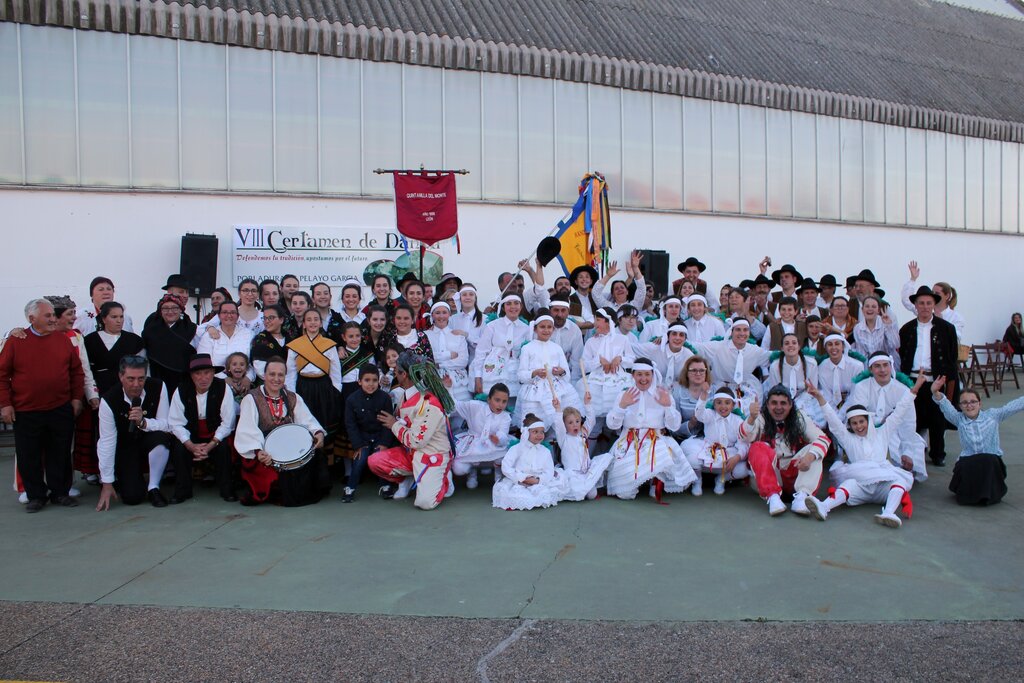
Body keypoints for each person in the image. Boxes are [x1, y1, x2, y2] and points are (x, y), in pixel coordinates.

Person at [0, 299, 85, 512]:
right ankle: (36, 495)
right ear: (32, 319)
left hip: (60, 407)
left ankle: (60, 493)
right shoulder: (15, 341)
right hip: (27, 410)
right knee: (29, 455)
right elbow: (2, 375)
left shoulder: (63, 340)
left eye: (53, 315)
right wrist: (5, 405)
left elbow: (76, 371)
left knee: (61, 452)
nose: (53, 319)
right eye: (48, 316)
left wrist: (76, 398)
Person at [804, 377, 924, 528]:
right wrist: (819, 397)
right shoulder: (848, 439)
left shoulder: (883, 433)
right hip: (860, 486)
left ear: (868, 421)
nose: (859, 426)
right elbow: (833, 420)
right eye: (854, 423)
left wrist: (915, 388)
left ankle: (888, 513)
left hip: (882, 486)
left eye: (861, 421)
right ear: (850, 425)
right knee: (848, 484)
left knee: (899, 482)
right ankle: (824, 507)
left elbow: (900, 411)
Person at [234, 357, 329, 506]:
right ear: (264, 376)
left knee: (315, 456)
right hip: (264, 447)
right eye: (272, 374)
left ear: (285, 377)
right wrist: (259, 452)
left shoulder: (293, 397)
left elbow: (307, 421)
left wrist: (318, 433)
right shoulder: (251, 398)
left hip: (289, 444)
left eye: (281, 375)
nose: (276, 379)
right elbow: (247, 429)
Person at [369, 351, 456, 510]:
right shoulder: (405, 394)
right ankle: (406, 479)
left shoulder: (428, 403)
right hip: (411, 453)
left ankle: (444, 477)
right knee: (375, 461)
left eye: (397, 370)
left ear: (404, 374)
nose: (394, 373)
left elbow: (416, 440)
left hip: (431, 454)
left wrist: (394, 424)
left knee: (425, 503)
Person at [604, 358, 698, 501]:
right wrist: (621, 406)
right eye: (639, 374)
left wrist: (667, 406)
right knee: (625, 494)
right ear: (633, 375)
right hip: (629, 441)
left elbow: (674, 426)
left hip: (655, 439)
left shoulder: (662, 394)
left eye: (647, 374)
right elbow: (613, 426)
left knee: (660, 453)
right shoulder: (624, 394)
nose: (643, 378)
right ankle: (640, 479)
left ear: (652, 375)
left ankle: (655, 480)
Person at [739, 384, 831, 516]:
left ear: (790, 405)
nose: (778, 407)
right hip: (770, 475)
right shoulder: (760, 417)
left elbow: (823, 439)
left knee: (815, 450)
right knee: (757, 447)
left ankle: (802, 497)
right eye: (774, 403)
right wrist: (751, 418)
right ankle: (773, 497)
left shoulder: (799, 417)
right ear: (767, 405)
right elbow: (744, 436)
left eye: (783, 403)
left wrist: (809, 457)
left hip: (795, 475)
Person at [95, 356, 173, 510]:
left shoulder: (158, 386)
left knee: (161, 439)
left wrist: (144, 423)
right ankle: (123, 480)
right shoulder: (109, 400)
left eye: (141, 379)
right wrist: (107, 482)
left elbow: (167, 425)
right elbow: (107, 442)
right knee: (132, 498)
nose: (136, 384)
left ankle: (153, 487)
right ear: (121, 376)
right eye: (130, 379)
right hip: (125, 445)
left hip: (149, 438)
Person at [931, 377, 1023, 506]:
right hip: (969, 463)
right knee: (967, 463)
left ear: (980, 404)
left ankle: (988, 495)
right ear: (960, 406)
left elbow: (1012, 407)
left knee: (988, 459)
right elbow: (944, 404)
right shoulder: (958, 419)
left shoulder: (993, 415)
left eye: (973, 401)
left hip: (991, 463)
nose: (969, 405)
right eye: (965, 403)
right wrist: (935, 391)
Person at [82, 301, 145, 485]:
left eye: (121, 317)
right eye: (114, 317)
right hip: (100, 390)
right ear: (103, 318)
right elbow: (87, 370)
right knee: (102, 432)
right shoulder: (91, 340)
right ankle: (101, 471)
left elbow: (141, 368)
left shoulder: (133, 340)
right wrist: (92, 394)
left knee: (126, 427)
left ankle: (126, 469)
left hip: (126, 389)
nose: (118, 321)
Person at [899, 285, 960, 467]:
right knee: (913, 418)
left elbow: (952, 357)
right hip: (913, 378)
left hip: (937, 379)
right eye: (921, 303)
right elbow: (903, 355)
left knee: (937, 419)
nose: (925, 306)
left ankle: (937, 453)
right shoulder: (907, 329)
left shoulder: (947, 329)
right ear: (915, 306)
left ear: (934, 304)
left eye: (928, 303)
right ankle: (913, 454)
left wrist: (949, 382)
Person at [167, 354, 238, 503]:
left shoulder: (223, 388)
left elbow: (227, 423)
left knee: (224, 448)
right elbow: (176, 423)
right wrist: (190, 445)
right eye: (198, 374)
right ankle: (182, 490)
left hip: (215, 434)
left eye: (207, 373)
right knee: (179, 449)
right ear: (191, 375)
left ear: (213, 373)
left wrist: (212, 444)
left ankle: (227, 489)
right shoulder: (181, 389)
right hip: (191, 435)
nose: (203, 378)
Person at [848, 352, 928, 482]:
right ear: (870, 369)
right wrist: (878, 422)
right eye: (877, 366)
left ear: (891, 367)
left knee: (914, 444)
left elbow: (908, 424)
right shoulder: (861, 387)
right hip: (867, 431)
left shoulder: (902, 389)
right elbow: (857, 416)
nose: (883, 370)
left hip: (895, 432)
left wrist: (907, 451)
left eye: (886, 365)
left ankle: (901, 469)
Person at [285, 309, 342, 445]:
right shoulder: (295, 346)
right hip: (303, 386)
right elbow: (291, 372)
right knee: (304, 420)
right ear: (303, 324)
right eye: (309, 320)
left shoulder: (329, 345)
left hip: (324, 387)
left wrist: (336, 391)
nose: (312, 322)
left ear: (321, 323)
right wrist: (291, 393)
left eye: (316, 319)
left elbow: (335, 371)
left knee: (324, 420)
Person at [516, 310, 581, 428]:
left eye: (549, 327)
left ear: (553, 329)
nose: (546, 330)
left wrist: (561, 372)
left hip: (557, 390)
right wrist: (534, 373)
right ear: (535, 329)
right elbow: (521, 375)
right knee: (535, 426)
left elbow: (566, 374)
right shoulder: (527, 348)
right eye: (542, 327)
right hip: (535, 393)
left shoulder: (557, 348)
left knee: (559, 424)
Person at [342, 365, 396, 503]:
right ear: (359, 381)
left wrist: (384, 443)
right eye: (367, 380)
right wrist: (358, 445)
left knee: (380, 459)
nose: (371, 384)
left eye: (374, 380)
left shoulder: (385, 398)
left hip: (379, 437)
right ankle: (350, 488)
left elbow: (387, 424)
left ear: (379, 381)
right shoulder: (351, 400)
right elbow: (351, 425)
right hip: (362, 439)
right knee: (359, 461)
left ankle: (385, 486)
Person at [694, 318, 771, 415]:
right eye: (738, 330)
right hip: (720, 389)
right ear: (731, 331)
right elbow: (697, 348)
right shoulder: (719, 347)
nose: (742, 333)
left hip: (743, 389)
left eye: (745, 330)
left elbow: (771, 357)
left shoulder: (754, 350)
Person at [492, 413, 566, 510]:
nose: (540, 435)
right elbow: (506, 466)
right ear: (526, 432)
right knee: (516, 495)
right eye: (535, 432)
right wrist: (521, 478)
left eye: (542, 432)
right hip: (519, 481)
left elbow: (549, 471)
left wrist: (538, 480)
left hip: (538, 480)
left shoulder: (545, 451)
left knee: (543, 493)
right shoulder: (517, 449)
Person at [688, 386, 750, 496]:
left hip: (727, 455)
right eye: (719, 402)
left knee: (745, 469)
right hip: (707, 451)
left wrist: (737, 458)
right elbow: (699, 414)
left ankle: (721, 479)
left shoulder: (738, 421)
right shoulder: (709, 414)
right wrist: (703, 396)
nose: (723, 406)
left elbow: (743, 443)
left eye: (727, 403)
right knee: (691, 458)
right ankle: (697, 481)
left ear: (733, 405)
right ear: (714, 404)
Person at [551, 395, 612, 501]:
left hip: (586, 473)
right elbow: (559, 426)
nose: (575, 425)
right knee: (577, 493)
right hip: (572, 475)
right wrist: (557, 410)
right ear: (565, 425)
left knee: (592, 494)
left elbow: (591, 421)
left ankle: (586, 488)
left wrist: (587, 404)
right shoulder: (564, 438)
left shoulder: (583, 434)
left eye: (577, 421)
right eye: (570, 423)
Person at [451, 384, 513, 489]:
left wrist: (498, 439)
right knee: (459, 468)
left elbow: (503, 433)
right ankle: (472, 473)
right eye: (497, 400)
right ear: (489, 399)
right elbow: (454, 405)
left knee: (506, 455)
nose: (501, 405)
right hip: (473, 440)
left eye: (504, 401)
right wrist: (448, 388)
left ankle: (498, 476)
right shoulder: (475, 406)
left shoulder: (505, 416)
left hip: (492, 442)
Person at [579, 308, 635, 420]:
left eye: (598, 320)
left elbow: (632, 360)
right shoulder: (591, 342)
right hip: (596, 380)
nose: (595, 323)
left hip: (618, 379)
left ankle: (617, 433)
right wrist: (599, 361)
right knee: (595, 411)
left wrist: (620, 359)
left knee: (620, 410)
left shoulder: (622, 339)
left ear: (608, 321)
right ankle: (595, 433)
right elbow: (584, 366)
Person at [472, 294, 530, 400]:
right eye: (509, 304)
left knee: (513, 404)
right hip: (493, 372)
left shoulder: (526, 328)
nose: (513, 307)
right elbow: (481, 352)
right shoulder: (492, 326)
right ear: (503, 307)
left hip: (515, 373)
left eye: (516, 303)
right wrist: (478, 377)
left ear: (521, 306)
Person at [142, 294, 197, 395]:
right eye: (165, 308)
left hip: (184, 380)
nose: (170, 312)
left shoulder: (192, 329)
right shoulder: (150, 331)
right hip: (157, 378)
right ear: (160, 311)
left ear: (181, 310)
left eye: (174, 308)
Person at [766, 333, 821, 425]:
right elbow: (775, 391)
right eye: (787, 343)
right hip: (783, 401)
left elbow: (812, 390)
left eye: (794, 343)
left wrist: (797, 405)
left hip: (806, 400)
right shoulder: (775, 366)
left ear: (799, 347)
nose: (790, 345)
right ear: (782, 348)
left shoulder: (811, 364)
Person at [901, 261, 965, 339]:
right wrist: (913, 279)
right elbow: (907, 301)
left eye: (937, 293)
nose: (934, 295)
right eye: (932, 293)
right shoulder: (926, 309)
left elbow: (957, 337)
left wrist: (941, 322)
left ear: (947, 296)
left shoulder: (956, 317)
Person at [195, 302, 255, 380]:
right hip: (216, 382)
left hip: (244, 383)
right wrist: (225, 379)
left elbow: (254, 362)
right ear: (219, 316)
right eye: (225, 312)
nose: (229, 315)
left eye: (233, 312)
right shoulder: (208, 337)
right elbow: (204, 363)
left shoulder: (249, 334)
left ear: (237, 316)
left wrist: (248, 378)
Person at [425, 302, 471, 402]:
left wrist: (440, 364)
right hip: (435, 380)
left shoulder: (458, 335)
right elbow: (427, 358)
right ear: (432, 315)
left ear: (449, 314)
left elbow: (463, 360)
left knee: (461, 410)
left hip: (459, 383)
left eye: (444, 312)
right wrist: (449, 355)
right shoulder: (425, 335)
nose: (441, 316)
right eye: (437, 313)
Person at [635, 323, 693, 388]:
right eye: (674, 334)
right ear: (668, 336)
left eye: (681, 335)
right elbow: (632, 348)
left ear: (685, 339)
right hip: (654, 390)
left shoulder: (689, 356)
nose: (677, 338)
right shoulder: (655, 348)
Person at [815, 334, 864, 410]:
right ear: (826, 348)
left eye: (837, 344)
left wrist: (840, 415)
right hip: (830, 407)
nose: (834, 347)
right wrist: (834, 415)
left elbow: (853, 396)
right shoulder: (822, 367)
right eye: (830, 344)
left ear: (843, 347)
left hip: (852, 404)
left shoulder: (857, 366)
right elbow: (827, 395)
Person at [852, 295, 900, 371]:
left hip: (890, 366)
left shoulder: (886, 322)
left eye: (873, 306)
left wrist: (888, 326)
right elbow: (862, 354)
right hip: (870, 367)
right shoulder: (858, 328)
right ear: (862, 309)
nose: (870, 309)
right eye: (867, 306)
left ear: (878, 310)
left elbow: (895, 345)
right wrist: (866, 372)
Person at [548, 295, 585, 382]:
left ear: (568, 311)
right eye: (556, 310)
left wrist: (572, 383)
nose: (559, 314)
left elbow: (576, 362)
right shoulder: (541, 328)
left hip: (566, 377)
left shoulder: (575, 330)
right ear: (550, 311)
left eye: (563, 310)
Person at [250, 303, 290, 381]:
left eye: (271, 318)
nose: (267, 321)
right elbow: (260, 369)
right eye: (265, 318)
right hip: (269, 383)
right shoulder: (260, 340)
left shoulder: (290, 339)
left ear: (281, 320)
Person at [568, 265, 600, 331]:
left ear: (591, 281)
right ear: (576, 281)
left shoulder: (596, 298)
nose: (584, 279)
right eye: (581, 277)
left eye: (587, 277)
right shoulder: (570, 299)